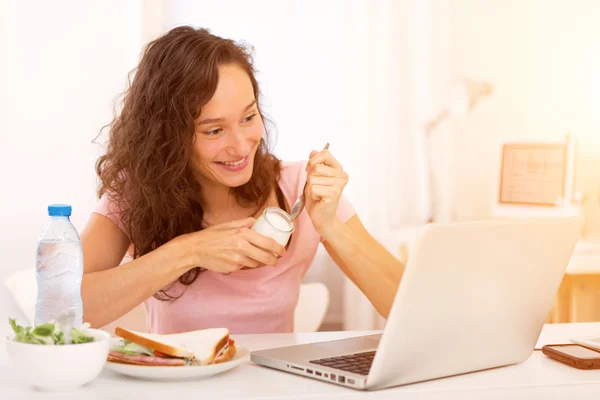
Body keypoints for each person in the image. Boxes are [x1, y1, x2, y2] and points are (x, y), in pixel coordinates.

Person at [81, 26, 404, 334]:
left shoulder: (299, 188)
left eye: (248, 117)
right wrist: (188, 251)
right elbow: (65, 309)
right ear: (169, 136)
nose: (240, 146)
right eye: (214, 130)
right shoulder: (138, 193)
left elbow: (405, 308)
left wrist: (330, 226)